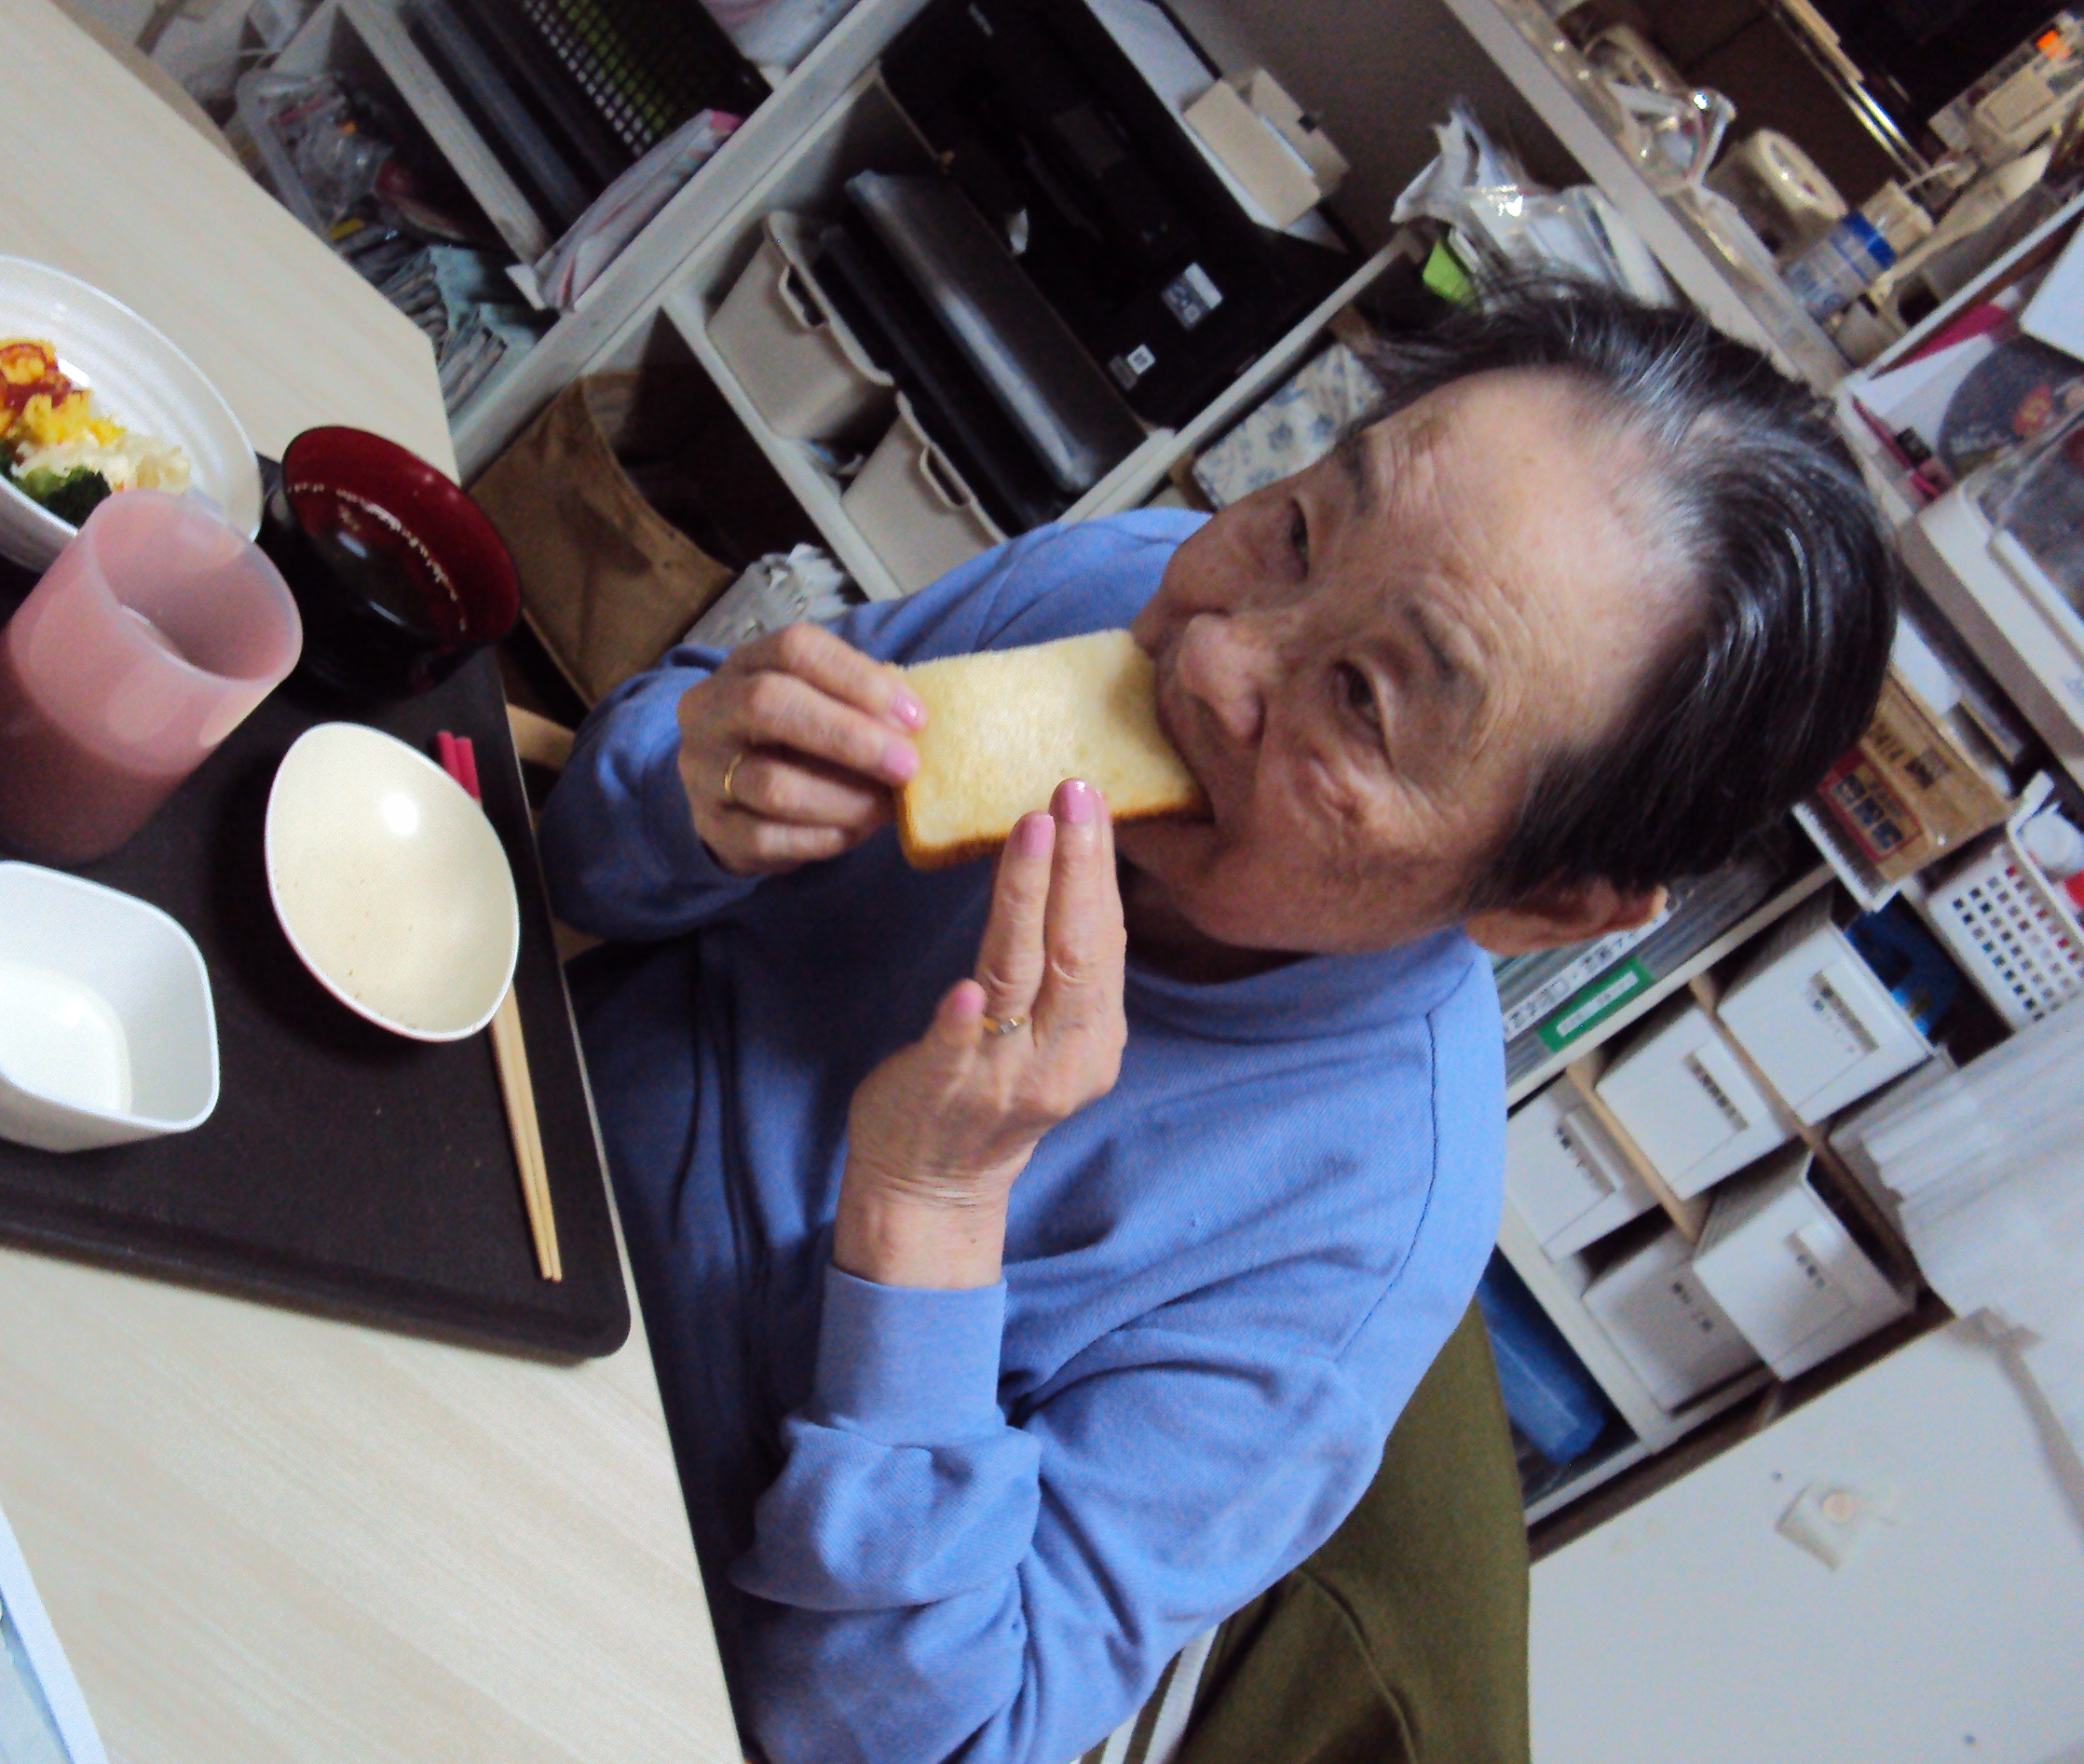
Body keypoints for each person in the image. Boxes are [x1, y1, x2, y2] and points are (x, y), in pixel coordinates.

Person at [537, 280, 1896, 1764]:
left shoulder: (1355, 1240)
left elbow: (902, 1742)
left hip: (626, 1604)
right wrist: (690, 788)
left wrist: (931, 1216)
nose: (1210, 659)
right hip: (493, 1148)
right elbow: (582, 863)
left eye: (1363, 700)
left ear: (1548, 901)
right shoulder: (1117, 587)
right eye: (1302, 525)